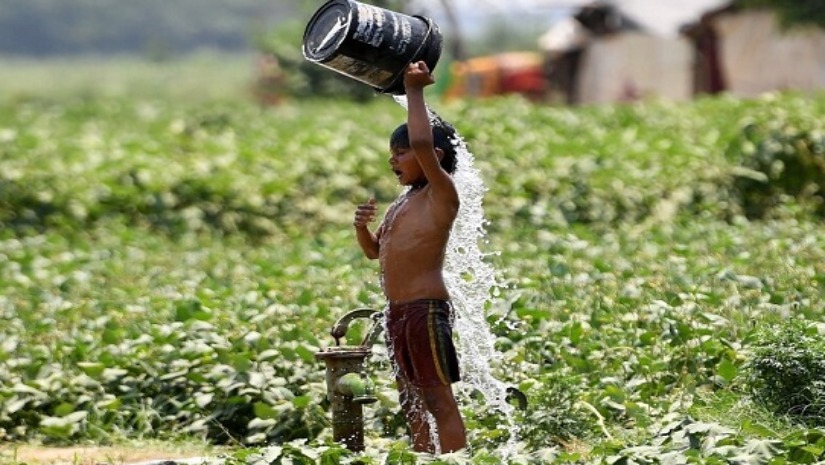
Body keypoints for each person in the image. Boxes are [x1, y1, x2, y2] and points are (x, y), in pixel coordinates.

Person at [352, 61, 467, 454]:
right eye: (392, 153)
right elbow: (373, 254)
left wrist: (413, 91)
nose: (393, 160)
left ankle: (455, 461)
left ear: (431, 155)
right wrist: (360, 229)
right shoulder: (402, 204)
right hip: (397, 314)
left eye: (401, 152)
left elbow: (422, 142)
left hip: (424, 311)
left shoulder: (441, 194)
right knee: (411, 403)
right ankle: (422, 459)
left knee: (438, 401)